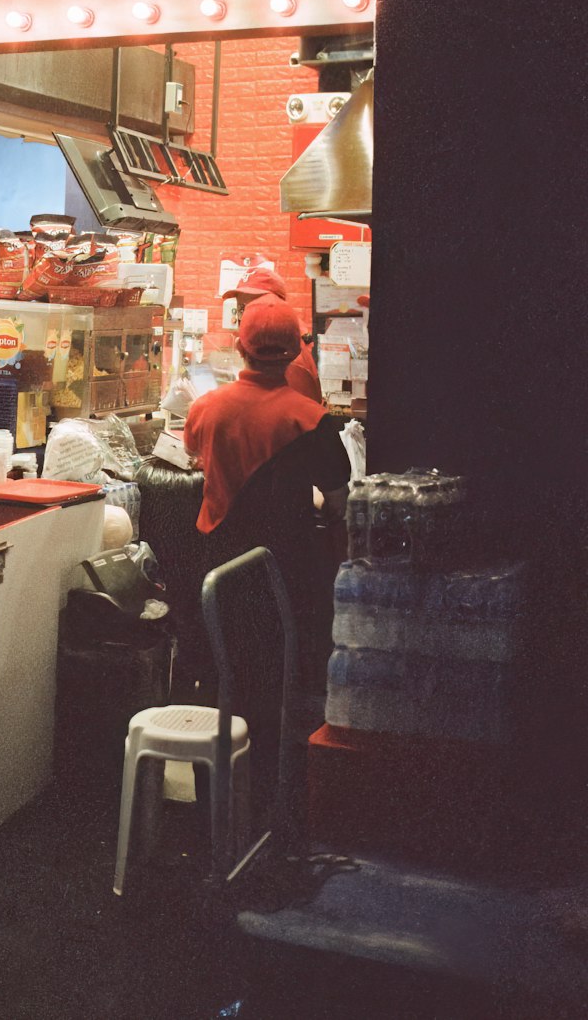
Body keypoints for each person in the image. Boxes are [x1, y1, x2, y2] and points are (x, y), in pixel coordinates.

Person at [182, 296, 350, 809]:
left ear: (239, 347)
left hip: (215, 572)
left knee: (222, 679)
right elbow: (340, 501)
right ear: (297, 351)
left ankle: (217, 794)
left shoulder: (206, 407)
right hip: (285, 578)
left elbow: (195, 458)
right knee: (279, 684)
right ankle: (275, 797)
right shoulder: (311, 418)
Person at [221, 265, 322, 402]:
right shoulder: (277, 344)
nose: (244, 316)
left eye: (253, 306)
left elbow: (295, 418)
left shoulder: (289, 359)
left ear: (275, 304)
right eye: (241, 308)